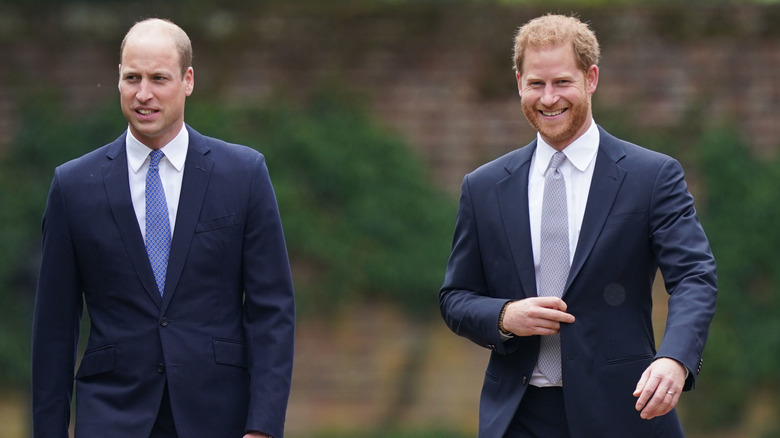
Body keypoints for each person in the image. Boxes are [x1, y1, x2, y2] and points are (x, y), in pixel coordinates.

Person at [439, 14, 717, 438]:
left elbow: (695, 278)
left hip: (625, 412)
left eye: (562, 82)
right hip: (516, 418)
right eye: (536, 84)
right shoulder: (483, 187)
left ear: (591, 79)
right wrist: (504, 315)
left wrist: (674, 359)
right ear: (518, 83)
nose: (548, 98)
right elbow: (455, 298)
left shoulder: (652, 176)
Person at [31, 18, 295, 438]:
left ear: (188, 80)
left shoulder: (243, 174)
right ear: (117, 80)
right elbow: (54, 328)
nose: (143, 94)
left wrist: (262, 426)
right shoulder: (73, 186)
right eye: (132, 78)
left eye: (159, 78)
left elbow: (272, 311)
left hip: (218, 414)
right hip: (112, 415)